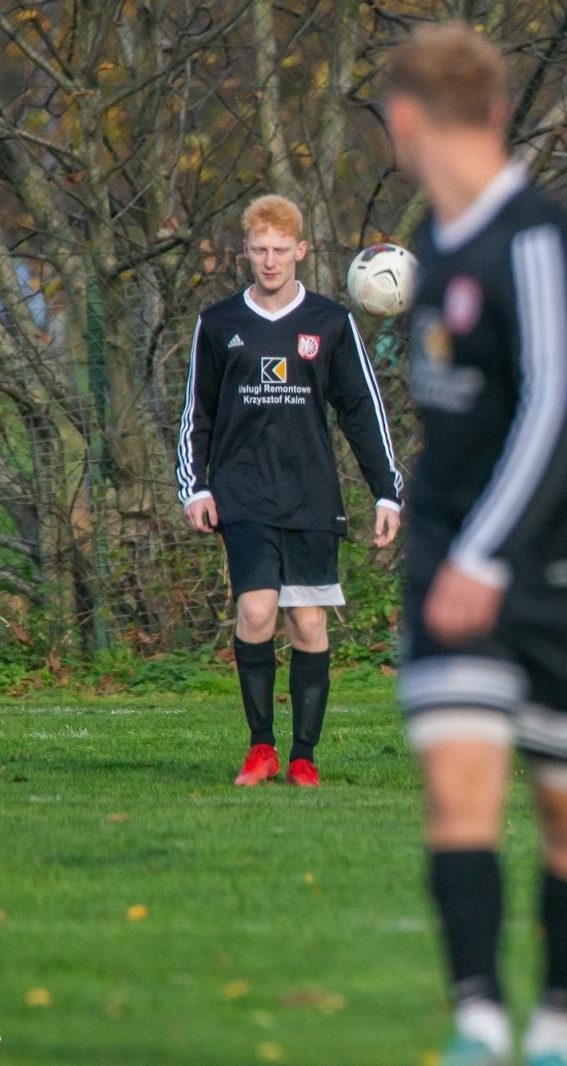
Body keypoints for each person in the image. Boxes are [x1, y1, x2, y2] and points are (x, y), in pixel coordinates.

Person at [382, 24, 567, 1066]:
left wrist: (487, 552)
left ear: (403, 122)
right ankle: (480, 1019)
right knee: (459, 784)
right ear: (492, 110)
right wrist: (443, 540)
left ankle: (559, 1025)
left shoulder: (535, 237)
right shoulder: (431, 250)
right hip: (452, 563)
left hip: (563, 569)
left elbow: (563, 406)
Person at [177, 194, 403, 789]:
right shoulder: (219, 323)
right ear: (245, 252)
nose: (270, 261)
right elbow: (195, 412)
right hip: (242, 492)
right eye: (259, 251)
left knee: (306, 624)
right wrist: (195, 487)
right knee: (254, 610)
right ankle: (261, 748)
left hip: (309, 495)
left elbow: (362, 410)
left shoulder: (331, 322)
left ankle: (303, 755)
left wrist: (387, 493)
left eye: (281, 250)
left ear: (300, 250)